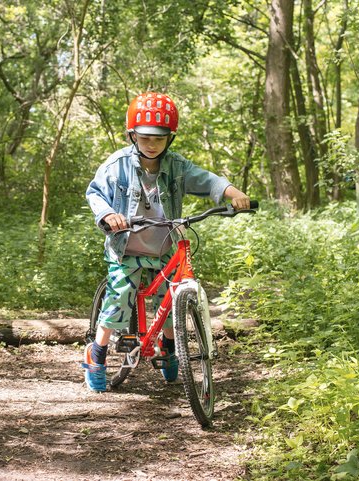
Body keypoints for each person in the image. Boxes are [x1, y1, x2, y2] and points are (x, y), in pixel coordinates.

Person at [83, 92, 250, 392]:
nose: (151, 144)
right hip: (127, 249)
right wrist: (108, 214)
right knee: (121, 295)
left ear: (170, 138)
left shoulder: (176, 166)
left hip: (163, 248)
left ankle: (171, 348)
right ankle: (97, 353)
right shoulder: (117, 164)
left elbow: (207, 180)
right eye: (145, 137)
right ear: (132, 135)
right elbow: (95, 192)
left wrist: (232, 193)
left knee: (170, 298)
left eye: (159, 139)